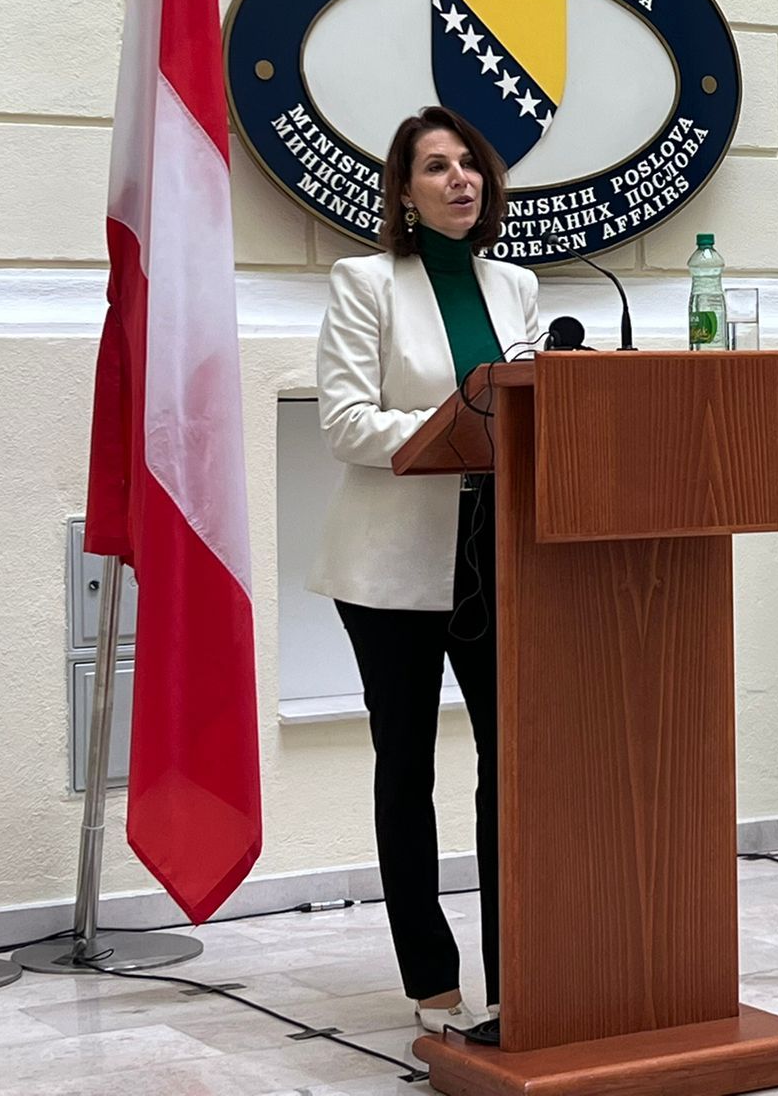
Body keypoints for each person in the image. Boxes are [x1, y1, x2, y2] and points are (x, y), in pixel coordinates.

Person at [309, 106, 541, 1034]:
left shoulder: (517, 284)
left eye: (470, 165)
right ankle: (433, 984)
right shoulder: (365, 281)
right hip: (391, 572)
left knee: (511, 770)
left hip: (504, 561)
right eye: (436, 168)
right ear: (404, 193)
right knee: (406, 767)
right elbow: (345, 422)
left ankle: (520, 972)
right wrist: (455, 434)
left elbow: (529, 408)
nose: (459, 180)